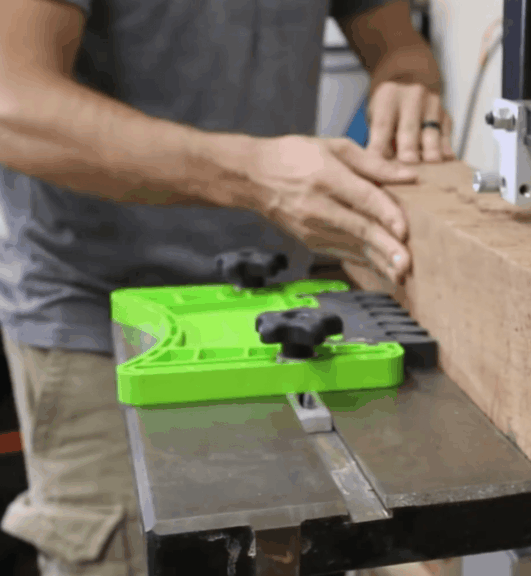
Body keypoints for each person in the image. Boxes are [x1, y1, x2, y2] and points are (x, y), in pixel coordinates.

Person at [0, 0, 454, 573]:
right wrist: (254, 175)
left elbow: (395, 42)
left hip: (276, 314)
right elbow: (11, 103)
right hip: (102, 322)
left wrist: (407, 83)